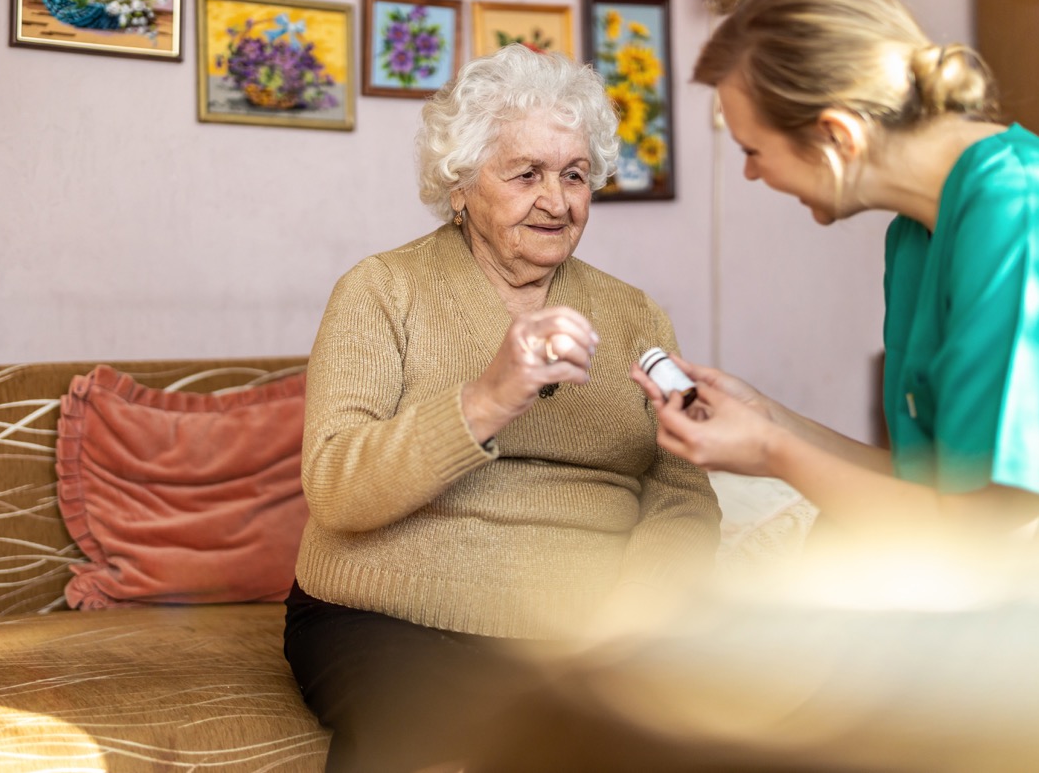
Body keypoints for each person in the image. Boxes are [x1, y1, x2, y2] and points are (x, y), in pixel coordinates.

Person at [284, 43, 721, 773]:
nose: (557, 200)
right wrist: (485, 401)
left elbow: (683, 495)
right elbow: (334, 485)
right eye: (526, 174)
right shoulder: (381, 290)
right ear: (460, 184)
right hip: (394, 619)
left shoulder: (634, 314)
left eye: (574, 174)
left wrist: (634, 617)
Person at [632, 0, 1039, 555]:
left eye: (753, 151)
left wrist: (770, 451)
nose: (751, 173)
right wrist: (770, 421)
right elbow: (932, 488)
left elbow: (979, 529)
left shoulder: (1026, 215)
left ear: (836, 136)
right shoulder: (916, 233)